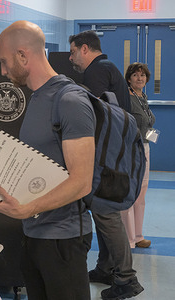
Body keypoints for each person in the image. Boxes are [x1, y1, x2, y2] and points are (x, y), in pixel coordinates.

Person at [0, 20, 96, 299]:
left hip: (63, 240)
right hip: (34, 235)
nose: (2, 71)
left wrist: (29, 209)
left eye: (4, 61)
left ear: (23, 55)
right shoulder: (38, 98)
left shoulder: (70, 101)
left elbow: (81, 182)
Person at [69, 30, 144, 299]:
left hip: (105, 157)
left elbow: (92, 115)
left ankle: (126, 279)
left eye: (73, 51)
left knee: (106, 213)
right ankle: (105, 267)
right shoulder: (109, 67)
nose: (71, 58)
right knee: (103, 212)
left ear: (85, 49)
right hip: (115, 153)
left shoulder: (96, 72)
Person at [121, 62, 155, 249]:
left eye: (142, 75)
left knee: (141, 194)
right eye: (135, 75)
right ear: (129, 79)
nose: (139, 78)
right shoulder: (127, 97)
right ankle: (128, 239)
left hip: (146, 147)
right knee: (130, 193)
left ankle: (138, 235)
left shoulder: (143, 96)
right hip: (131, 148)